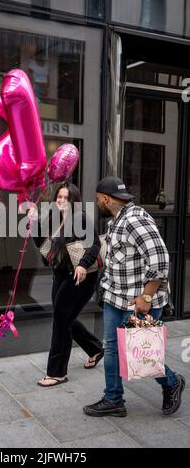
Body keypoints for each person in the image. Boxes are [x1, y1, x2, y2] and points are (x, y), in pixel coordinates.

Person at [83, 176, 185, 418]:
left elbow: (160, 259)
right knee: (112, 350)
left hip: (138, 301)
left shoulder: (135, 219)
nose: (97, 203)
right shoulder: (116, 221)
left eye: (98, 200)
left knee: (141, 354)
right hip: (115, 298)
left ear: (106, 198)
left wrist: (146, 298)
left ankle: (172, 382)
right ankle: (113, 400)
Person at [29, 182, 104, 387]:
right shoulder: (54, 220)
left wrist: (82, 264)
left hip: (80, 277)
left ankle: (57, 372)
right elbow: (43, 246)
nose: (61, 200)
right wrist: (34, 224)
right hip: (61, 276)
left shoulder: (80, 219)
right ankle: (95, 348)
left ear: (74, 200)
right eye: (59, 197)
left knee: (62, 320)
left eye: (66, 197)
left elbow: (95, 244)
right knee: (65, 317)